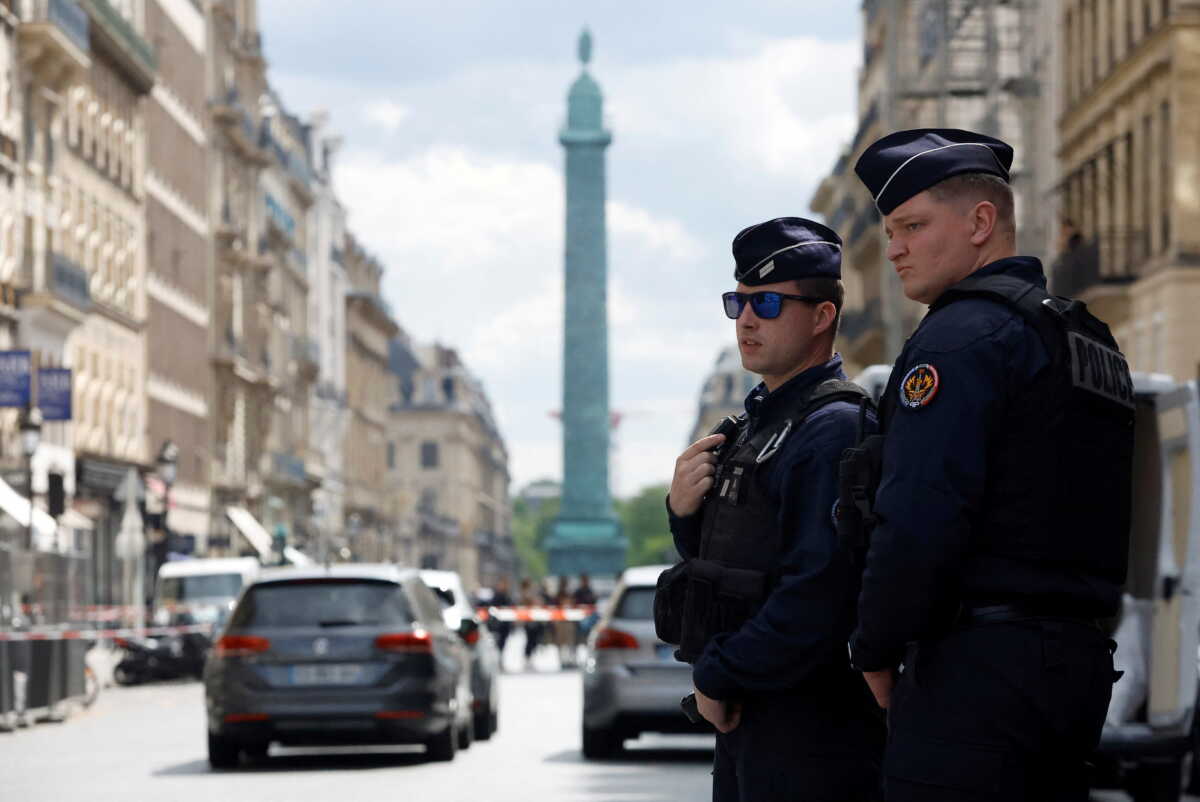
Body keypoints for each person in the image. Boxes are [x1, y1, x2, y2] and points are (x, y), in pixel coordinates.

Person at [846, 129, 1134, 800]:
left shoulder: (959, 336)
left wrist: (876, 646)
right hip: (1077, 665)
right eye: (889, 231)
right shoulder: (1085, 335)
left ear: (981, 222)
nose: (894, 250)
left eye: (912, 226)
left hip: (976, 672)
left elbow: (918, 516)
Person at [666, 217, 885, 802]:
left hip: (810, 724)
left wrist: (717, 673)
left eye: (766, 302)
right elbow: (731, 561)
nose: (746, 319)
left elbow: (815, 593)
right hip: (755, 713)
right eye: (738, 302)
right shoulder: (758, 423)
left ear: (822, 316)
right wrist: (683, 512)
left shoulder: (833, 426)